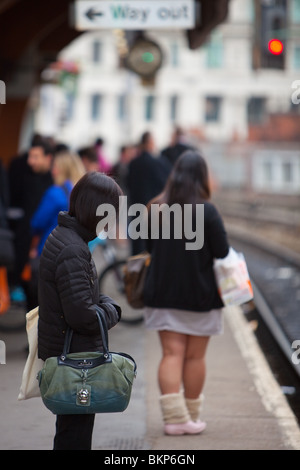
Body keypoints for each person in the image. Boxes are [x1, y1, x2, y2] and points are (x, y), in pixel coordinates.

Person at [143, 150, 230, 435]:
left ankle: (174, 420)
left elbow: (147, 248)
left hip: (162, 292)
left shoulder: (155, 207)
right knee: (194, 357)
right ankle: (190, 417)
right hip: (200, 295)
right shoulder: (207, 210)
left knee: (171, 353)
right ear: (201, 177)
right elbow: (222, 252)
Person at [37, 172, 123, 450]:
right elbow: (82, 315)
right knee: (74, 436)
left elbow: (80, 296)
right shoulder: (73, 249)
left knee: (71, 430)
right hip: (76, 358)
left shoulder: (66, 237)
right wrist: (112, 310)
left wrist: (101, 300)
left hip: (68, 351)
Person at [8, 135, 54, 304]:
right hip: (29, 246)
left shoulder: (54, 182)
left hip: (44, 248)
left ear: (48, 158)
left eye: (35, 157)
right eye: (30, 156)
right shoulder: (28, 176)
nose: (30, 161)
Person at [127, 131, 169, 254]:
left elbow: (129, 184)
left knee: (137, 248)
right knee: (153, 248)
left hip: (136, 208)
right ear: (150, 143)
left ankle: (135, 272)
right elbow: (165, 185)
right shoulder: (158, 163)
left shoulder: (133, 163)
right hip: (154, 210)